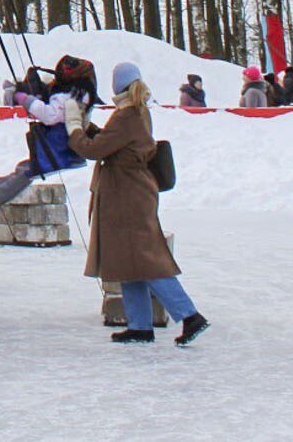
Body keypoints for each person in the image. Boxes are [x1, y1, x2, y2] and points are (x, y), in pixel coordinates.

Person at [70, 62, 209, 347]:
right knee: (128, 260)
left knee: (145, 259)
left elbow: (94, 149)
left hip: (128, 197)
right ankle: (140, 325)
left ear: (116, 86)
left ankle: (190, 315)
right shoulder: (138, 111)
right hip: (132, 193)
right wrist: (89, 126)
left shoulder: (127, 116)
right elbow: (112, 141)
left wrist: (74, 128)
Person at [0, 57, 98, 210]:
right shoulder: (80, 92)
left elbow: (50, 115)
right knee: (26, 168)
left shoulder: (68, 95)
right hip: (63, 145)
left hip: (58, 145)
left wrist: (26, 100)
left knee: (28, 170)